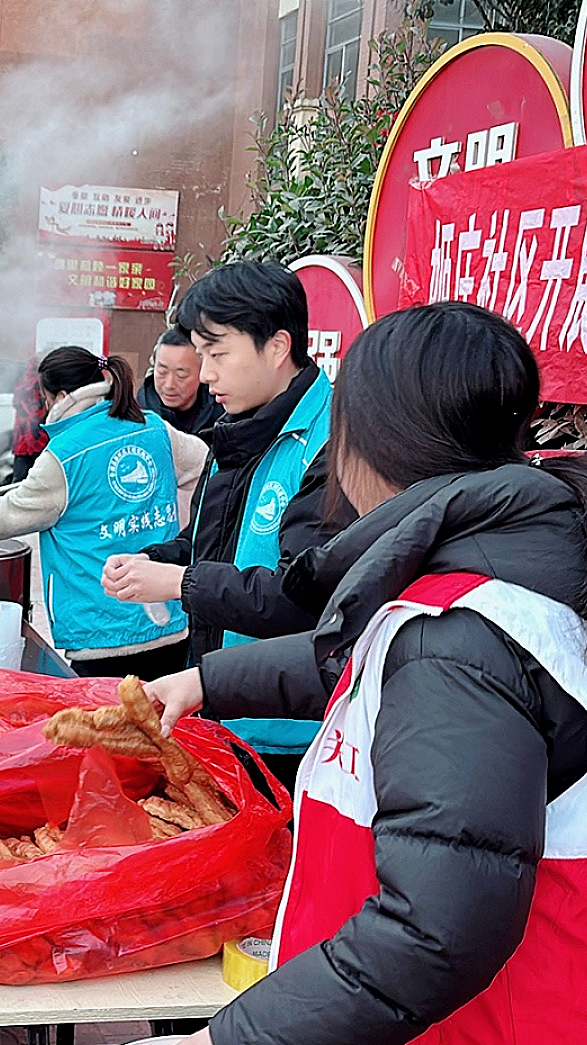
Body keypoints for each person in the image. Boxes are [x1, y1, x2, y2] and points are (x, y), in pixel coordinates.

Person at [136, 302, 587, 1045]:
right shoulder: (554, 558)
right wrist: (206, 679)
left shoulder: (457, 631)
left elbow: (436, 928)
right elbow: (380, 673)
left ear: (370, 443)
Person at [101, 261, 348, 783]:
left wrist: (180, 582)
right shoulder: (237, 428)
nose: (206, 374)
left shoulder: (330, 445)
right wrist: (152, 562)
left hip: (295, 734)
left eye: (217, 355)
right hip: (222, 709)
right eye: (201, 356)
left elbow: (304, 598)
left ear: (277, 347)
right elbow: (210, 546)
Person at [0, 347, 207, 679]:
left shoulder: (64, 454)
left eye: (46, 400)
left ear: (61, 396)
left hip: (102, 629)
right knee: (161, 711)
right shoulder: (153, 427)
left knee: (101, 714)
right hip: (167, 620)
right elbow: (206, 465)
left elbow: (11, 512)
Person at [136, 325, 223, 435]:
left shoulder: (223, 413)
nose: (169, 385)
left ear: (202, 372)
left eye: (181, 375)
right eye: (162, 372)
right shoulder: (138, 418)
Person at [10, 354, 49, 481]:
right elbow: (41, 410)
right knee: (38, 478)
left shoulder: (22, 382)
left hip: (22, 438)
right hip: (39, 437)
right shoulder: (41, 383)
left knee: (19, 478)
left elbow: (16, 403)